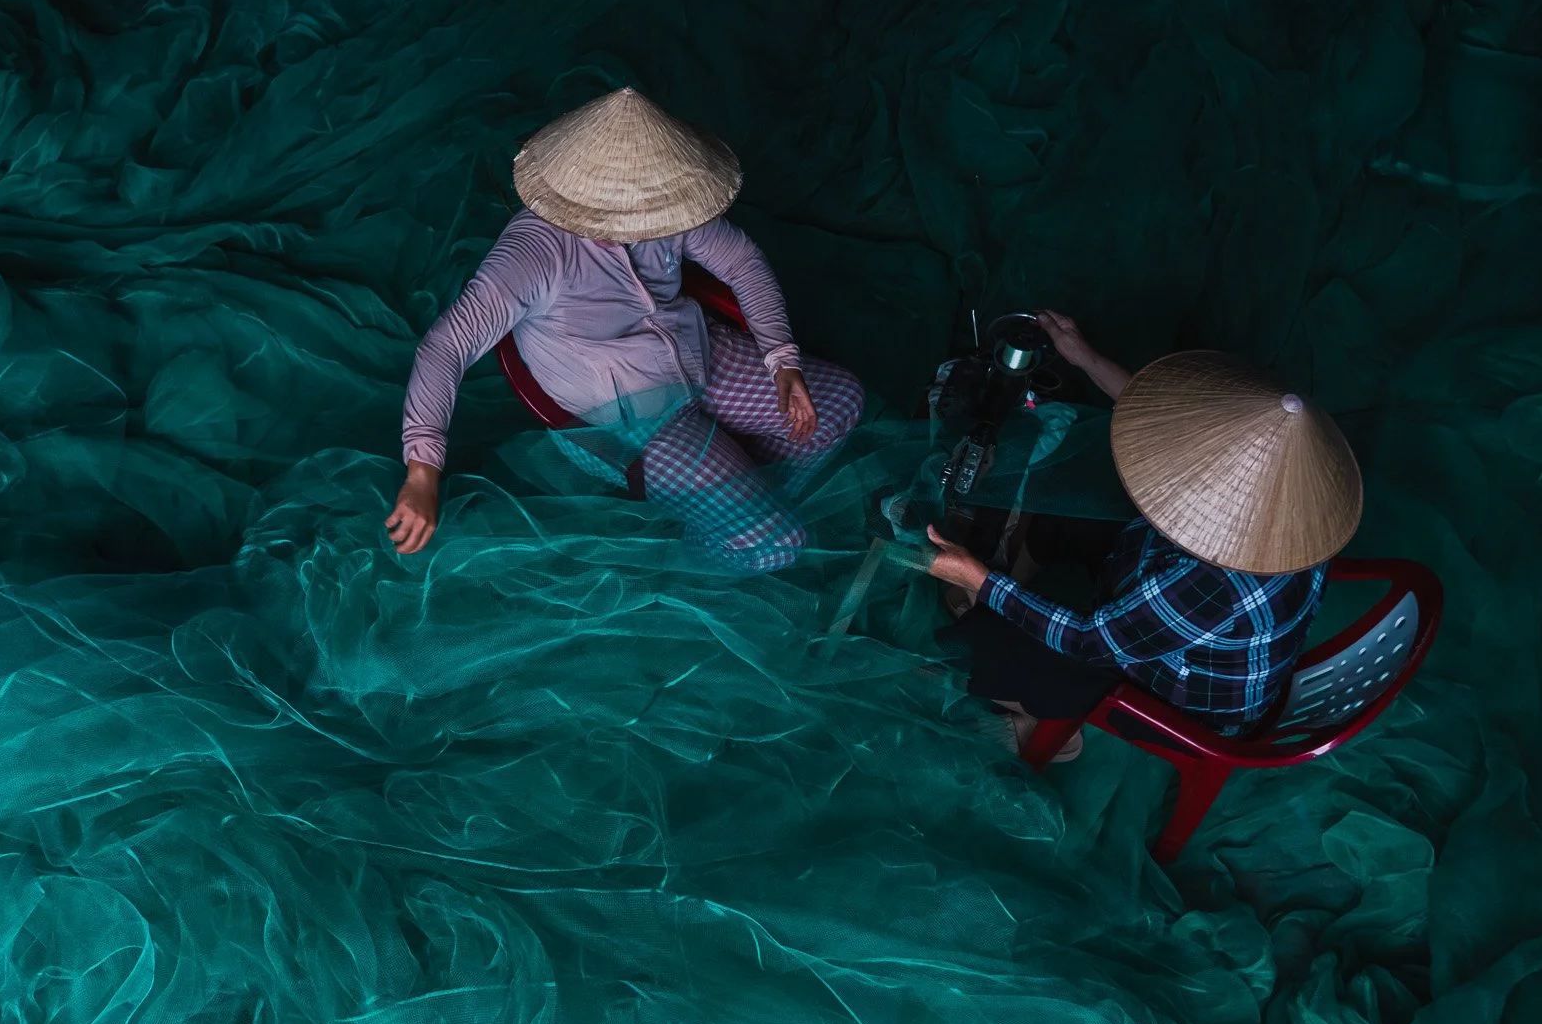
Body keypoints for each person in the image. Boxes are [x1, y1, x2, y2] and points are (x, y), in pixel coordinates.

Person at [386, 87, 863, 571]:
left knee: (839, 403)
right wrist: (423, 473)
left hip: (696, 352)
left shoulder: (666, 203)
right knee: (778, 542)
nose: (659, 224)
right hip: (622, 418)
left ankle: (738, 503)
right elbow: (446, 347)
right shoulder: (535, 251)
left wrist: (781, 359)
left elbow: (741, 260)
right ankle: (719, 544)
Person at [924, 312, 1362, 759]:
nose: (1170, 461)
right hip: (1182, 622)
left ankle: (1049, 731)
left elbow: (1087, 640)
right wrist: (1085, 357)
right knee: (1069, 513)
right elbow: (1159, 424)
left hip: (1179, 697)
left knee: (996, 644)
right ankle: (1013, 600)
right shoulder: (1297, 488)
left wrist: (979, 580)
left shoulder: (1211, 584)